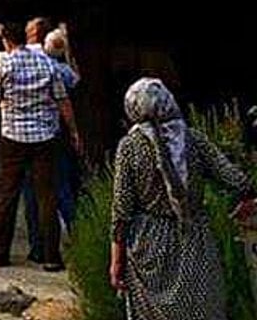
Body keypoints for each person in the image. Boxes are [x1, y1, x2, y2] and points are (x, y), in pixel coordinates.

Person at [110, 77, 256, 318]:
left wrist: (116, 262)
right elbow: (236, 180)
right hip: (194, 238)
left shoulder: (130, 147)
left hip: (150, 244)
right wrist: (246, 202)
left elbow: (121, 211)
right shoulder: (194, 140)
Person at [0, 20, 81, 271]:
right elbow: (63, 101)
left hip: (13, 139)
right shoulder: (47, 63)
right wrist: (73, 131)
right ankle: (52, 256)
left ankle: (1, 254)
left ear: (7, 41)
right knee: (47, 197)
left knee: (7, 196)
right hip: (45, 139)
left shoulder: (4, 64)